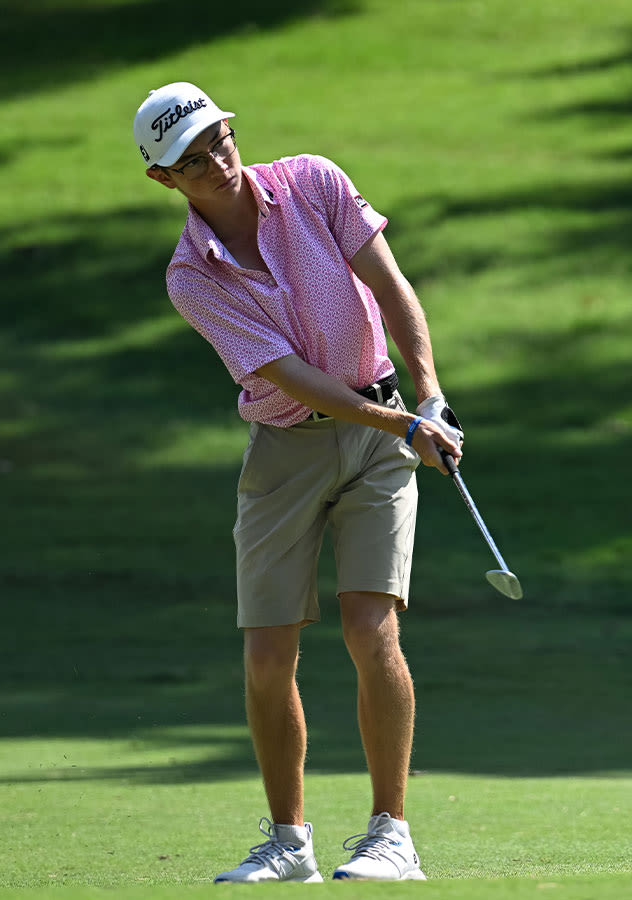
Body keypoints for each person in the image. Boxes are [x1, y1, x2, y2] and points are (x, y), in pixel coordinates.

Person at [132, 82, 464, 883]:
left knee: (369, 628)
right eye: (192, 159)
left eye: (218, 139)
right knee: (267, 651)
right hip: (288, 450)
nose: (216, 161)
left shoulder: (313, 181)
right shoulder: (191, 277)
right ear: (164, 180)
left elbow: (390, 286)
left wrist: (428, 395)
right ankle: (290, 844)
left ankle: (392, 836)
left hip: (384, 433)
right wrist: (405, 428)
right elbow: (292, 378)